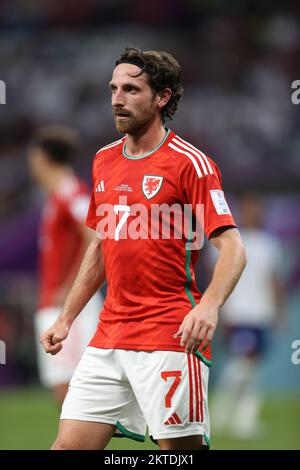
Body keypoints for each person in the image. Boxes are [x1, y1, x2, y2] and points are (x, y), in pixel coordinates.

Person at [40, 47, 246, 450]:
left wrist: (208, 307)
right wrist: (66, 318)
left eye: (131, 89)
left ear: (162, 97)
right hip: (109, 335)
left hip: (170, 335)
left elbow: (233, 248)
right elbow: (101, 245)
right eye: (113, 88)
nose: (117, 98)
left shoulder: (192, 164)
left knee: (179, 452)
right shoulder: (103, 161)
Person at [28, 126, 102, 406]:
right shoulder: (57, 195)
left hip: (69, 304)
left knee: (72, 388)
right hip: (56, 303)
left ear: (41, 158)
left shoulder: (70, 191)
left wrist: (72, 285)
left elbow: (95, 234)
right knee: (66, 389)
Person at [211, 192, 284, 439]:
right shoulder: (229, 241)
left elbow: (273, 280)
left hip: (261, 314)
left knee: (250, 368)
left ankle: (237, 417)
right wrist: (220, 309)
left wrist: (278, 311)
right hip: (239, 313)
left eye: (257, 208)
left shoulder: (268, 243)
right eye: (249, 207)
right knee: (244, 364)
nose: (253, 212)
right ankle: (229, 416)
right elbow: (218, 279)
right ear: (240, 210)